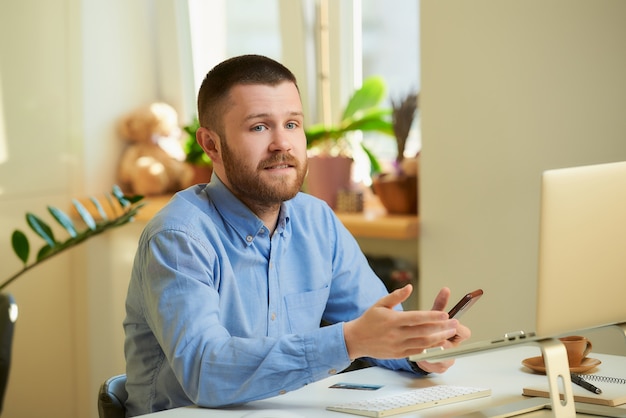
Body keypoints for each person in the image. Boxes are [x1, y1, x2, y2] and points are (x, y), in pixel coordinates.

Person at [123, 54, 471, 416]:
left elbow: (374, 329)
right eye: (259, 127)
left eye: (292, 124)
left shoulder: (317, 220)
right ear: (211, 145)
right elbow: (205, 372)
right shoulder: (179, 237)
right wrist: (350, 340)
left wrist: (416, 348)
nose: (282, 144)